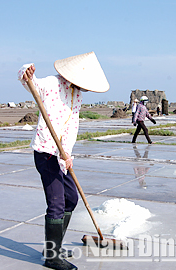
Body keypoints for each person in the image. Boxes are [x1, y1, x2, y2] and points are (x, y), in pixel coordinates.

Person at [18, 52, 109, 270]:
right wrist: (26, 72)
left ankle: (53, 247)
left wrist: (67, 154)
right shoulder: (51, 83)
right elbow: (31, 84)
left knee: (71, 198)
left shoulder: (76, 95)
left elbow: (69, 128)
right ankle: (52, 257)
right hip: (46, 152)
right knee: (56, 203)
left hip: (61, 156)